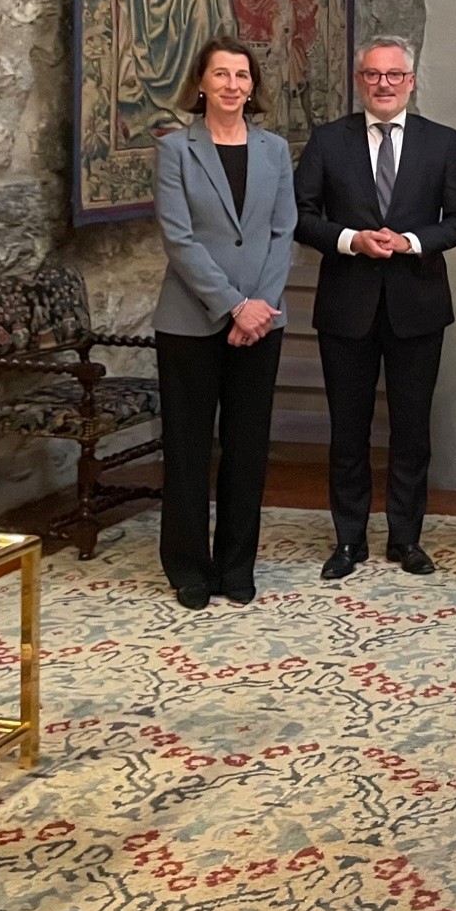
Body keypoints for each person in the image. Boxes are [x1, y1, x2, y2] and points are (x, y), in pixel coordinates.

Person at [294, 35, 456, 580]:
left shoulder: (441, 143)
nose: (384, 84)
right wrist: (351, 239)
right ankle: (349, 541)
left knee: (412, 429)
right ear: (360, 80)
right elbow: (300, 215)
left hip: (416, 305)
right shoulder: (327, 141)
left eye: (395, 75)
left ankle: (405, 538)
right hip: (347, 307)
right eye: (374, 75)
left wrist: (411, 242)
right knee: (348, 429)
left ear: (411, 82)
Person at [151, 37, 296, 609]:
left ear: (252, 86)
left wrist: (259, 305)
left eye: (243, 75)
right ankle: (188, 567)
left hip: (263, 322)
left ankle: (238, 565)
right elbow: (179, 238)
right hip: (191, 322)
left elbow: (282, 232)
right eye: (222, 74)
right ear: (202, 84)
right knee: (187, 448)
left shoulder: (276, 150)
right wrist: (233, 305)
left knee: (247, 447)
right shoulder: (175, 150)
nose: (233, 84)